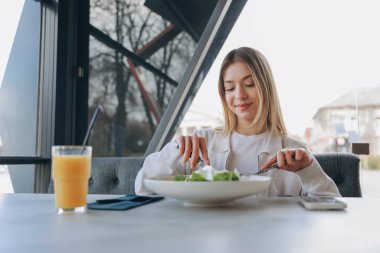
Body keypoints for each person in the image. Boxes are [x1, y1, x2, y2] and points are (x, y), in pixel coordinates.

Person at [135, 47, 340, 197]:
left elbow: (331, 204)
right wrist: (176, 150)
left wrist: (308, 170)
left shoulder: (295, 151)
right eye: (230, 88)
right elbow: (143, 187)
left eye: (249, 84)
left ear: (265, 87)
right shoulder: (201, 141)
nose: (239, 95)